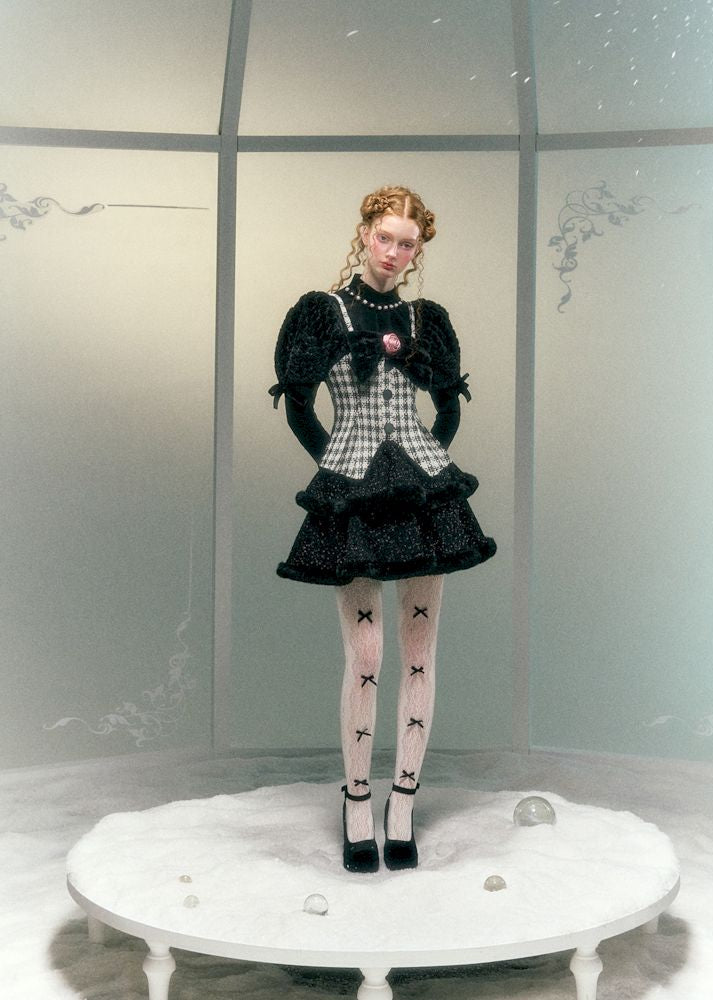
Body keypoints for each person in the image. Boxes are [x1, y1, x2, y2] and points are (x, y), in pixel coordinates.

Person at [268, 185, 496, 874]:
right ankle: (358, 801)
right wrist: (337, 468)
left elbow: (447, 405)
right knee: (366, 655)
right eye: (386, 237)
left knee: (419, 651)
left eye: (409, 243)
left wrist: (431, 462)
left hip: (421, 486)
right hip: (355, 486)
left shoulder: (427, 319)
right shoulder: (323, 312)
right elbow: (299, 405)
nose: (395, 252)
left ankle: (404, 803)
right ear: (365, 231)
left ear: (419, 249)